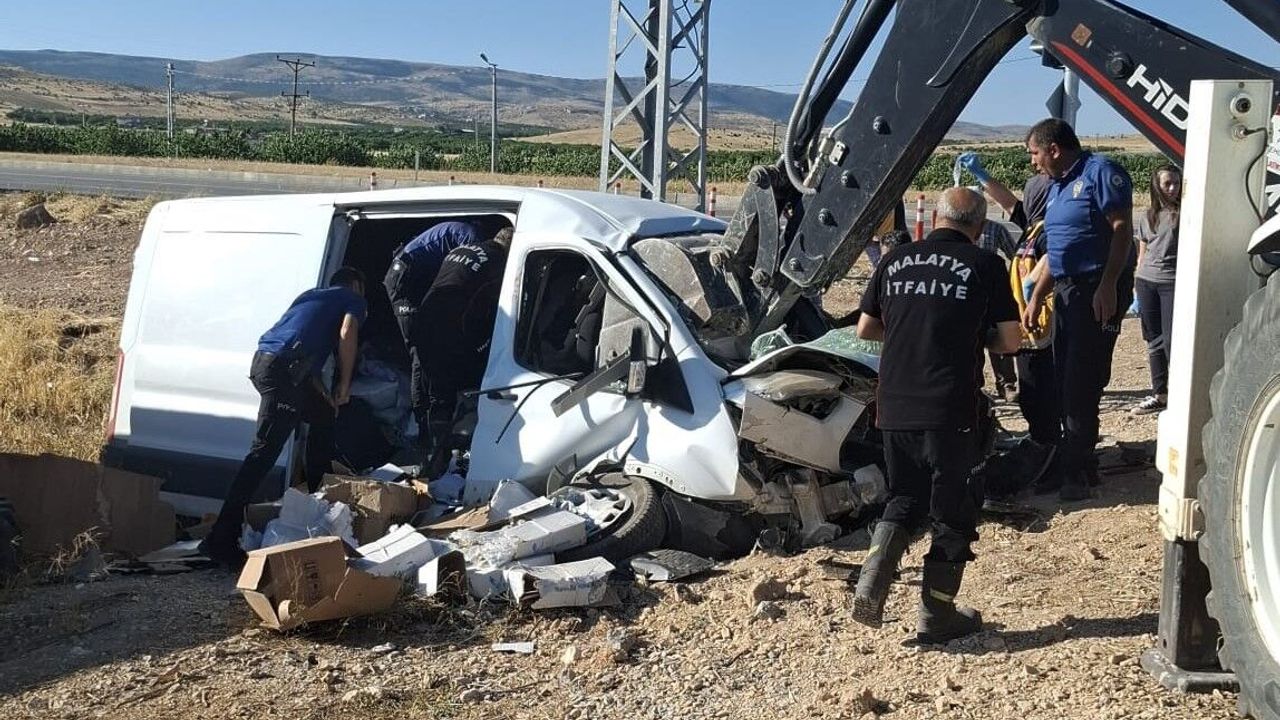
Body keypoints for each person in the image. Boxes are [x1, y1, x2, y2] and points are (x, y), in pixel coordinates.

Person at [851, 187, 1021, 643]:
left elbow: (866, 328)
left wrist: (912, 329)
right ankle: (937, 616)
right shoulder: (985, 265)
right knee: (953, 512)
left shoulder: (894, 260)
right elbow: (1010, 341)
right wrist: (968, 334)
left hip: (894, 404)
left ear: (934, 220)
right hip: (951, 408)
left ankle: (871, 581)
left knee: (905, 497)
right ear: (979, 227)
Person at [200, 267, 367, 567]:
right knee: (262, 455)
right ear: (355, 285)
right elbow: (347, 332)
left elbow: (307, 364)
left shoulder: (309, 297)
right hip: (283, 372)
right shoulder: (351, 298)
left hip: (271, 365)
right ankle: (221, 538)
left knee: (324, 416)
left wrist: (326, 398)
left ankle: (321, 505)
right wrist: (344, 384)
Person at [1021, 119, 1135, 501]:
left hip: (1096, 287)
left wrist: (1108, 284)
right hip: (1067, 291)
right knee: (1062, 378)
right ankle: (1072, 462)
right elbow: (1059, 252)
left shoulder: (1099, 173)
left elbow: (1121, 229)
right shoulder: (1057, 187)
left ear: (1053, 149)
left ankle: (1078, 471)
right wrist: (1037, 297)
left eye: (1035, 153)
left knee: (1081, 380)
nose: (1033, 162)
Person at [958, 153, 1060, 449]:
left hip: (1042, 323)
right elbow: (1009, 203)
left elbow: (1053, 258)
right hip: (1027, 321)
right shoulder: (1032, 226)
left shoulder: (1050, 230)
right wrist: (982, 176)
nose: (1024, 201)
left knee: (1041, 390)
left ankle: (1048, 445)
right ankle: (1040, 438)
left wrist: (1034, 291)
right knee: (1031, 391)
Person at [384, 217, 510, 447]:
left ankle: (428, 427)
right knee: (425, 363)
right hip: (410, 285)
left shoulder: (463, 248)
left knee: (427, 360)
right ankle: (427, 430)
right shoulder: (492, 257)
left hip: (429, 305)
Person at [414, 226, 515, 478]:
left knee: (438, 393)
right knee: (473, 386)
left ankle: (432, 458)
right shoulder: (498, 261)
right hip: (451, 328)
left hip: (424, 321)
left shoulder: (463, 249)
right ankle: (452, 457)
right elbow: (493, 306)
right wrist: (482, 346)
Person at [1131, 165, 1182, 415]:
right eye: (1167, 184)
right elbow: (1142, 253)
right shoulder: (1147, 216)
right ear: (1156, 186)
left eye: (1176, 183)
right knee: (1154, 339)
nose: (1172, 188)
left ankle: (1181, 395)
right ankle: (1160, 394)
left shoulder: (1183, 215)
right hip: (1146, 281)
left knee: (1172, 340)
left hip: (1171, 282)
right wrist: (1136, 288)